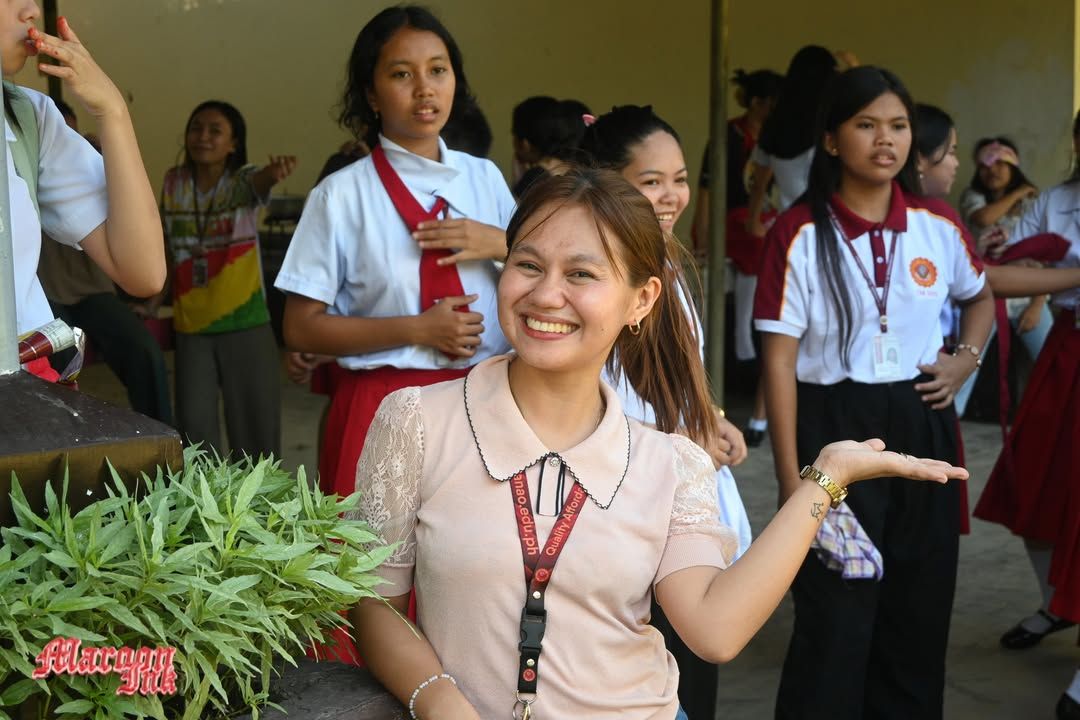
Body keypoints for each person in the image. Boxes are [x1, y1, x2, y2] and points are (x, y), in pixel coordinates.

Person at [349, 167, 968, 720]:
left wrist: (824, 479)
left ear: (641, 300)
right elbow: (373, 603)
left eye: (582, 274)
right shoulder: (417, 422)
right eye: (528, 264)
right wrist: (440, 701)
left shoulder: (671, 464)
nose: (545, 295)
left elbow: (714, 630)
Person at [754, 67, 995, 719]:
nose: (884, 140)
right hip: (833, 426)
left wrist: (963, 363)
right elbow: (778, 363)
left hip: (921, 419)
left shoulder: (937, 223)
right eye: (865, 125)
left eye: (897, 126)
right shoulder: (798, 232)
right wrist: (787, 478)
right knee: (836, 618)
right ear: (831, 140)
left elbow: (980, 298)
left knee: (919, 607)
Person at [274, 2, 514, 539]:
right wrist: (417, 329)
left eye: (438, 69)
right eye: (401, 74)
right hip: (379, 406)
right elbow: (300, 327)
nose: (424, 89)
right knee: (372, 579)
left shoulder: (485, 179)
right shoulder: (341, 195)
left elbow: (540, 279)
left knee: (475, 572)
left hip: (488, 400)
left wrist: (498, 241)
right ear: (371, 93)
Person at [581, 104, 751, 720]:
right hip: (625, 498)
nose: (672, 195)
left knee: (691, 662)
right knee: (651, 653)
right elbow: (592, 406)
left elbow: (677, 381)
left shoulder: (671, 267)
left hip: (679, 487)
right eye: (651, 181)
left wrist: (711, 418)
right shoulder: (598, 278)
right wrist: (679, 440)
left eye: (679, 179)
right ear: (606, 180)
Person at [975, 109, 1080, 720]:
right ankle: (1059, 603)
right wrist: (1005, 250)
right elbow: (1004, 263)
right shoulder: (1057, 200)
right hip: (1067, 355)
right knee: (1035, 485)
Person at [5, 7, 164, 381]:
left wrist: (112, 111)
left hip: (23, 402)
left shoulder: (31, 119)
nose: (32, 9)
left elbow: (143, 271)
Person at [153, 100, 294, 459]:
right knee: (195, 433)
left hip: (245, 322)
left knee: (256, 432)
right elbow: (165, 245)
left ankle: (262, 513)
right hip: (192, 327)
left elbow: (259, 181)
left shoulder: (242, 180)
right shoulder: (174, 181)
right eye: (196, 127)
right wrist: (155, 300)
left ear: (233, 143)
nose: (202, 136)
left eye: (215, 130)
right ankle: (205, 511)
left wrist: (273, 174)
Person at [36, 99, 171, 422]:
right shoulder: (24, 164)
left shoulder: (86, 163)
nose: (61, 141)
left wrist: (104, 163)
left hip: (92, 291)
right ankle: (67, 440)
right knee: (61, 356)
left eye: (68, 134)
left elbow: (143, 244)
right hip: (43, 294)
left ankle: (163, 437)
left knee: (143, 350)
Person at [741, 45, 838, 446]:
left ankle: (761, 419)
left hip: (786, 233)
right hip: (827, 231)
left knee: (781, 331)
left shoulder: (777, 123)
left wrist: (752, 221)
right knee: (824, 328)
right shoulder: (829, 126)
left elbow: (759, 182)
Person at [691, 68, 782, 448]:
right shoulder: (728, 134)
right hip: (732, 223)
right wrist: (702, 234)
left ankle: (748, 339)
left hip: (761, 220)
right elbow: (708, 189)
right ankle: (743, 342)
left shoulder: (779, 136)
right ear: (759, 102)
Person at [509, 95, 592, 197]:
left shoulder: (537, 176)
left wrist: (519, 183)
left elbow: (514, 210)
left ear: (525, 144)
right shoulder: (588, 169)